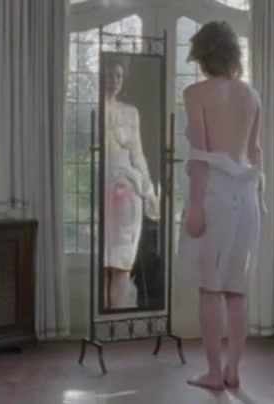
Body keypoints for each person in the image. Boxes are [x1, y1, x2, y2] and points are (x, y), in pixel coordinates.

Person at [177, 21, 266, 391]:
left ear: (201, 55)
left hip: (215, 193)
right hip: (247, 197)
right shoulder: (252, 95)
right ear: (233, 54)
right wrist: (260, 199)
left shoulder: (196, 93)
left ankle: (214, 372)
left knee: (210, 288)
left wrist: (196, 207)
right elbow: (256, 152)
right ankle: (233, 370)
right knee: (236, 289)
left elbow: (201, 155)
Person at [102, 56, 160, 309]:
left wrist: (149, 189)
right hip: (102, 186)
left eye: (118, 75)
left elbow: (137, 153)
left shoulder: (130, 112)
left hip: (127, 187)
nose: (114, 80)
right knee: (102, 260)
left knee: (122, 259)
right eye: (109, 74)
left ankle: (117, 316)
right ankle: (103, 317)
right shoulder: (93, 109)